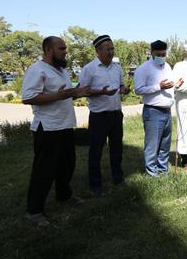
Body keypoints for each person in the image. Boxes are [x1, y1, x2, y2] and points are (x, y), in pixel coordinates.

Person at [21, 36, 90, 226]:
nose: (65, 51)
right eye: (61, 48)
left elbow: (63, 95)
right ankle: (34, 211)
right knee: (44, 170)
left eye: (65, 48)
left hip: (65, 125)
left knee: (67, 165)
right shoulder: (37, 69)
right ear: (49, 50)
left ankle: (64, 196)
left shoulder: (61, 70)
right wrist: (57, 96)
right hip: (47, 127)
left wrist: (77, 93)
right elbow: (27, 98)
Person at [79, 35, 130, 196]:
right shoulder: (89, 69)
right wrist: (101, 92)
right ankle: (95, 185)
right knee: (96, 151)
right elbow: (83, 90)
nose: (111, 51)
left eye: (112, 48)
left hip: (116, 115)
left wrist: (124, 90)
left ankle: (118, 178)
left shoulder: (117, 68)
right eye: (107, 48)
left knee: (117, 149)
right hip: (99, 116)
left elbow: (121, 86)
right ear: (97, 51)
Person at [134, 40, 179, 177]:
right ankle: (151, 173)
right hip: (153, 111)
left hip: (166, 111)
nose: (161, 56)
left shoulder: (167, 67)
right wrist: (159, 87)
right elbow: (138, 89)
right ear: (152, 52)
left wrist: (176, 85)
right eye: (158, 54)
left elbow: (169, 85)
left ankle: (162, 170)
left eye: (163, 54)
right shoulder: (144, 68)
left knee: (165, 144)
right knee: (152, 145)